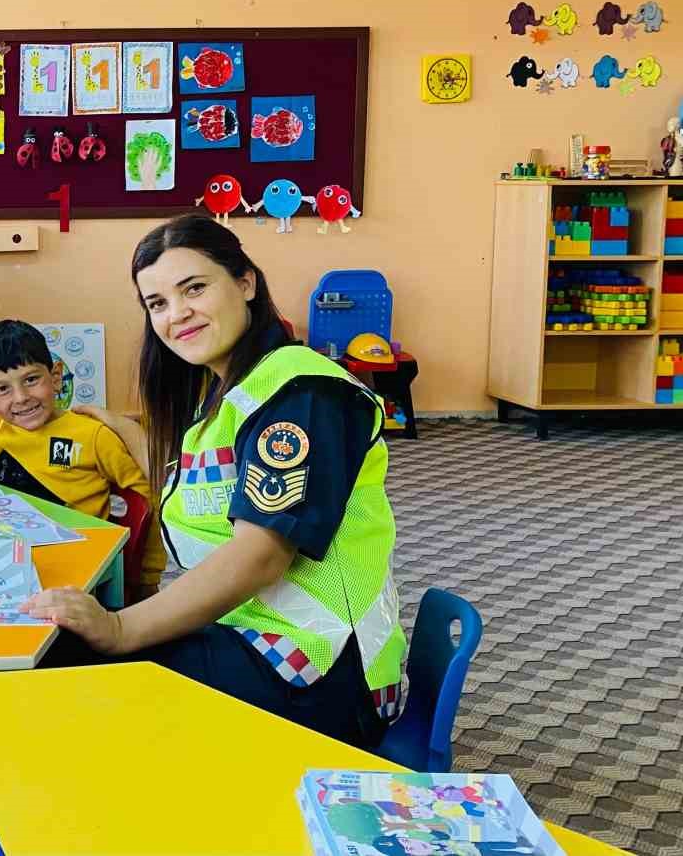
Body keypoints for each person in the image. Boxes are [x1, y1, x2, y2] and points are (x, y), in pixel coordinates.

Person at [27, 214, 404, 747]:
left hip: (321, 670)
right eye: (157, 303)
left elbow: (261, 554)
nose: (177, 313)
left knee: (70, 673)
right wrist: (124, 428)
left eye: (194, 288)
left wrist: (121, 629)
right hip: (249, 635)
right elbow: (193, 484)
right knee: (55, 645)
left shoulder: (301, 393)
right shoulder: (228, 392)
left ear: (246, 282)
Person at [0, 320, 165, 594]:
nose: (21, 397)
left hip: (74, 565)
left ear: (56, 376)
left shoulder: (92, 435)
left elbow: (146, 496)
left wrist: (147, 572)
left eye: (31, 380)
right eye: (2, 389)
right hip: (6, 558)